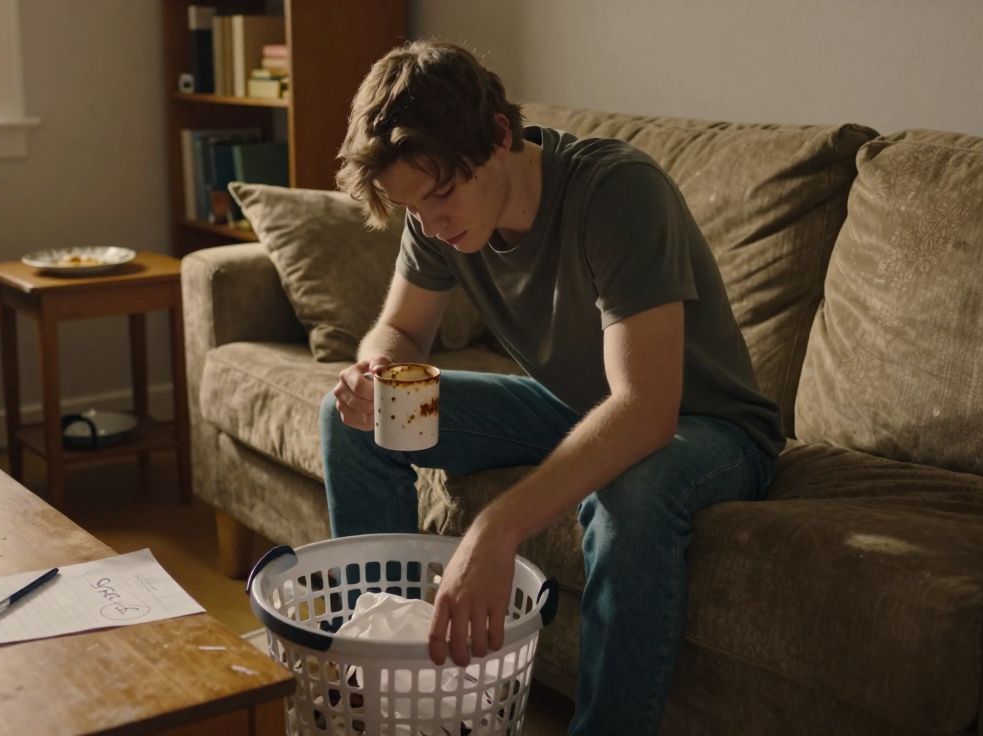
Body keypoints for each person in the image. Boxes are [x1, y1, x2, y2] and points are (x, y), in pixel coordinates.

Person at [322, 40, 784, 735]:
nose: (432, 224)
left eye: (441, 195)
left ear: (500, 137)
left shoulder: (618, 191)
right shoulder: (435, 218)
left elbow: (645, 411)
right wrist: (375, 372)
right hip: (572, 407)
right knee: (352, 420)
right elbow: (401, 330)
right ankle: (385, 684)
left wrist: (495, 527)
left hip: (707, 426)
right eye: (410, 207)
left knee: (632, 488)